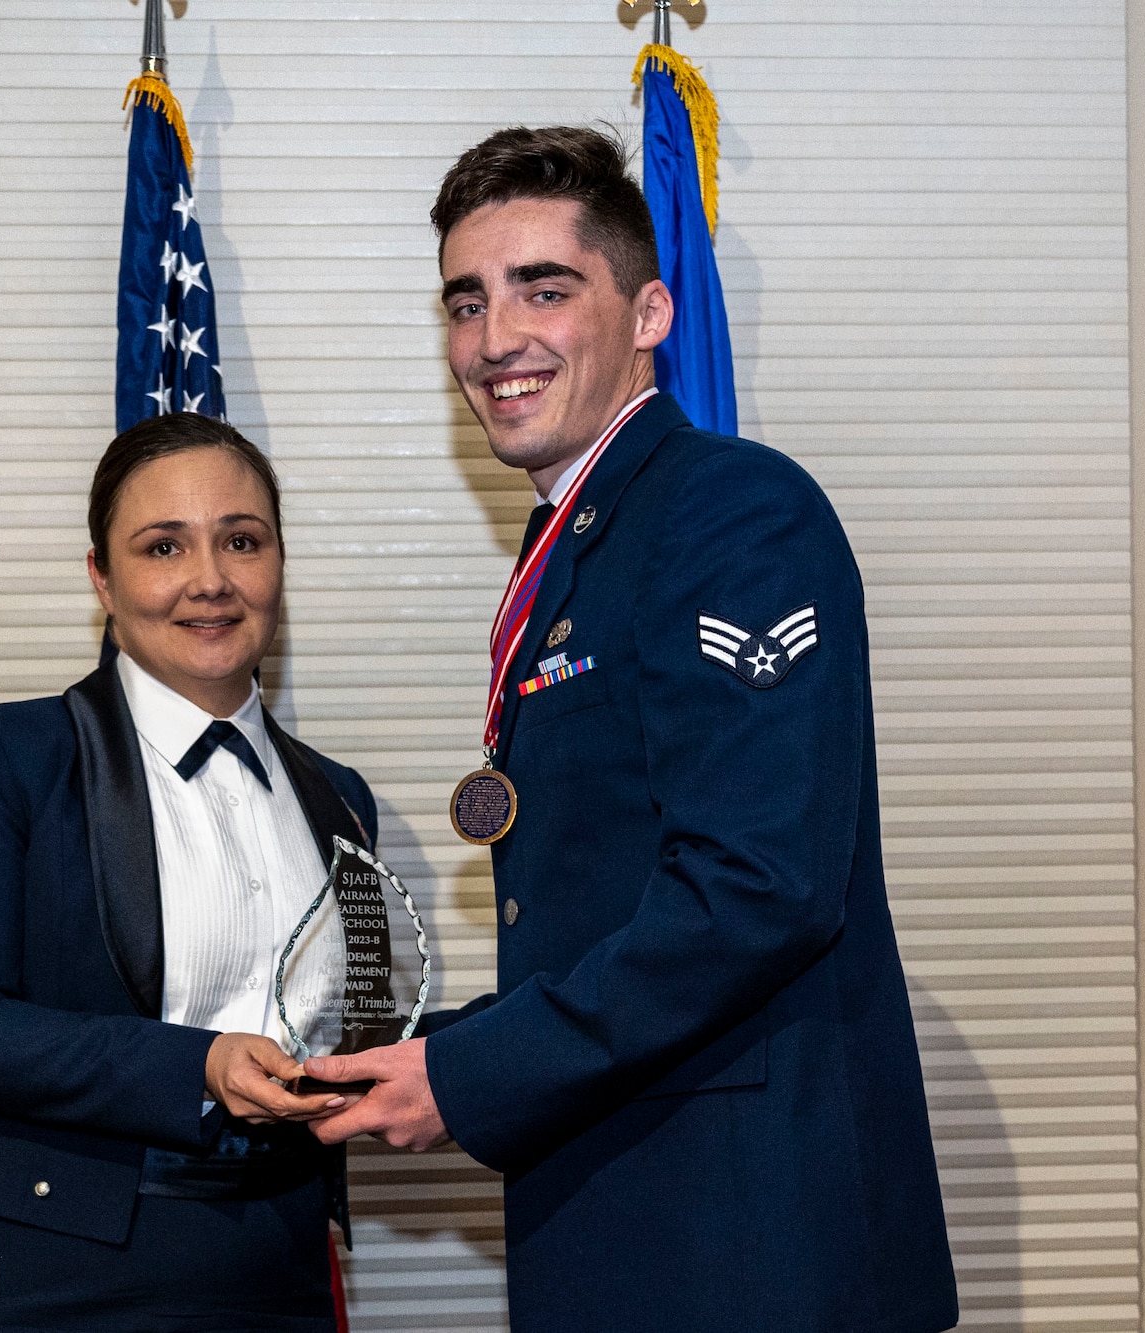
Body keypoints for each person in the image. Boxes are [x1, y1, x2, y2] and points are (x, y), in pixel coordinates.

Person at [306, 127, 960, 1332]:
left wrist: (466, 1077)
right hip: (634, 1213)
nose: (494, 338)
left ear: (650, 310)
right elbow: (606, 907)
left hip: (745, 1243)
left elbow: (754, 888)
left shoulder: (728, 512)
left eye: (542, 289)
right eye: (465, 300)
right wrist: (405, 1053)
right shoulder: (579, 539)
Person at [0, 412, 371, 1332]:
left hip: (280, 1267)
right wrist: (198, 1061)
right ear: (102, 580)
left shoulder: (340, 798)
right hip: (52, 1271)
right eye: (164, 547)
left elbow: (346, 1027)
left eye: (242, 539)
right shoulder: (8, 755)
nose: (211, 580)